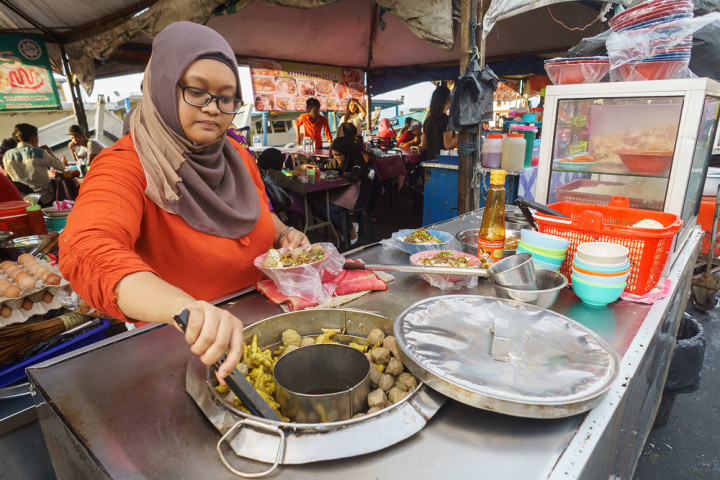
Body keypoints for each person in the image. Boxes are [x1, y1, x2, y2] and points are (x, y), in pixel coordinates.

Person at [58, 21, 309, 383]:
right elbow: (86, 249)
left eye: (226, 97)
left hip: (260, 331)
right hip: (180, 350)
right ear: (162, 84)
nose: (213, 108)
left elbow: (257, 217)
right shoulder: (126, 164)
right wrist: (185, 309)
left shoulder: (235, 154)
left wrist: (284, 233)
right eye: (197, 91)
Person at [3, 123, 65, 206]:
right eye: (37, 137)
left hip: (24, 200)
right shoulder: (40, 152)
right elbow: (62, 167)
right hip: (44, 199)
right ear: (32, 138)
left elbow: (7, 178)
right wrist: (50, 153)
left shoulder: (7, 155)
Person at [422, 85, 458, 160]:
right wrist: (463, 134)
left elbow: (424, 146)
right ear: (447, 100)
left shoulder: (427, 121)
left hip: (429, 163)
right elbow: (448, 144)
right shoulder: (447, 120)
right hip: (442, 163)